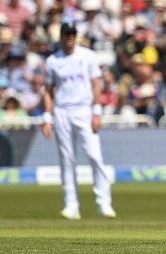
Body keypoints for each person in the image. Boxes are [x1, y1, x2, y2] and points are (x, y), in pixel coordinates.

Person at [41, 21, 116, 220]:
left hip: (84, 110)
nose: (70, 37)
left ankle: (104, 204)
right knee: (67, 160)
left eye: (72, 33)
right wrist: (47, 118)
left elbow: (96, 86)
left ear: (76, 35)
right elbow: (48, 92)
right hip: (63, 111)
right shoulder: (53, 61)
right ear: (61, 36)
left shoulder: (88, 57)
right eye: (66, 34)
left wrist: (97, 112)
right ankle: (71, 205)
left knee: (94, 156)